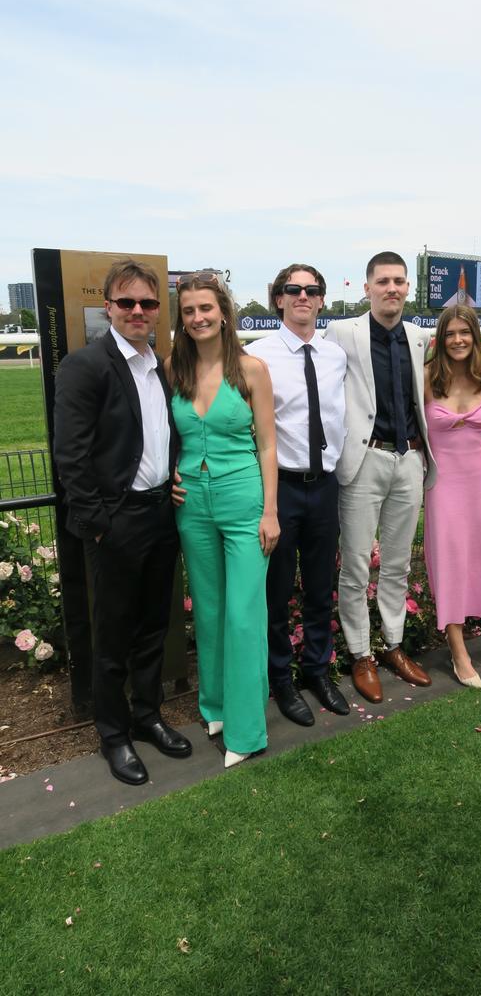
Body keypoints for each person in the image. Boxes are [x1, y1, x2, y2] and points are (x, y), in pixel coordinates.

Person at [53, 259, 192, 786]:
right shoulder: (85, 366)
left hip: (162, 514)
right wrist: (99, 524)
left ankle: (147, 714)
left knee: (155, 625)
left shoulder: (163, 365)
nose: (138, 311)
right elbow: (71, 457)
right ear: (108, 306)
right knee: (112, 635)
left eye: (148, 304)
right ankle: (113, 735)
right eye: (127, 302)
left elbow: (162, 436)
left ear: (158, 311)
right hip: (117, 522)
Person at [168, 272, 279, 768]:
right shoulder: (174, 368)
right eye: (189, 310)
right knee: (209, 610)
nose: (198, 318)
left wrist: (271, 510)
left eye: (206, 308)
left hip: (243, 501)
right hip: (190, 502)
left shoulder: (251, 369)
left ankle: (247, 730)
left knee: (243, 614)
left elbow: (268, 445)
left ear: (224, 312)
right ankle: (213, 706)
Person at [324, 251, 436, 703]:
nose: (392, 288)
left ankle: (392, 645)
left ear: (407, 288)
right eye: (383, 281)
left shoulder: (417, 336)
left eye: (399, 281)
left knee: (397, 563)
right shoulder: (342, 332)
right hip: (364, 461)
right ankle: (359, 654)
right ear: (367, 288)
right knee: (353, 564)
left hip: (409, 459)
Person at [246, 264, 348, 727]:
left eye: (312, 290)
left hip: (325, 487)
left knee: (320, 588)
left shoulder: (333, 356)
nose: (303, 296)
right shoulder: (256, 356)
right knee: (277, 591)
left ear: (322, 300)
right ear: (279, 299)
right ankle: (281, 680)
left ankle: (317, 670)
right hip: (281, 488)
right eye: (294, 289)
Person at [423, 306, 481, 688]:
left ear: (475, 337)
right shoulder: (426, 378)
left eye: (464, 333)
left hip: (480, 480)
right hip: (442, 484)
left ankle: (479, 625)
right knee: (449, 560)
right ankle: (458, 650)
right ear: (441, 338)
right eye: (451, 333)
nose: (458, 340)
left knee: (478, 557)